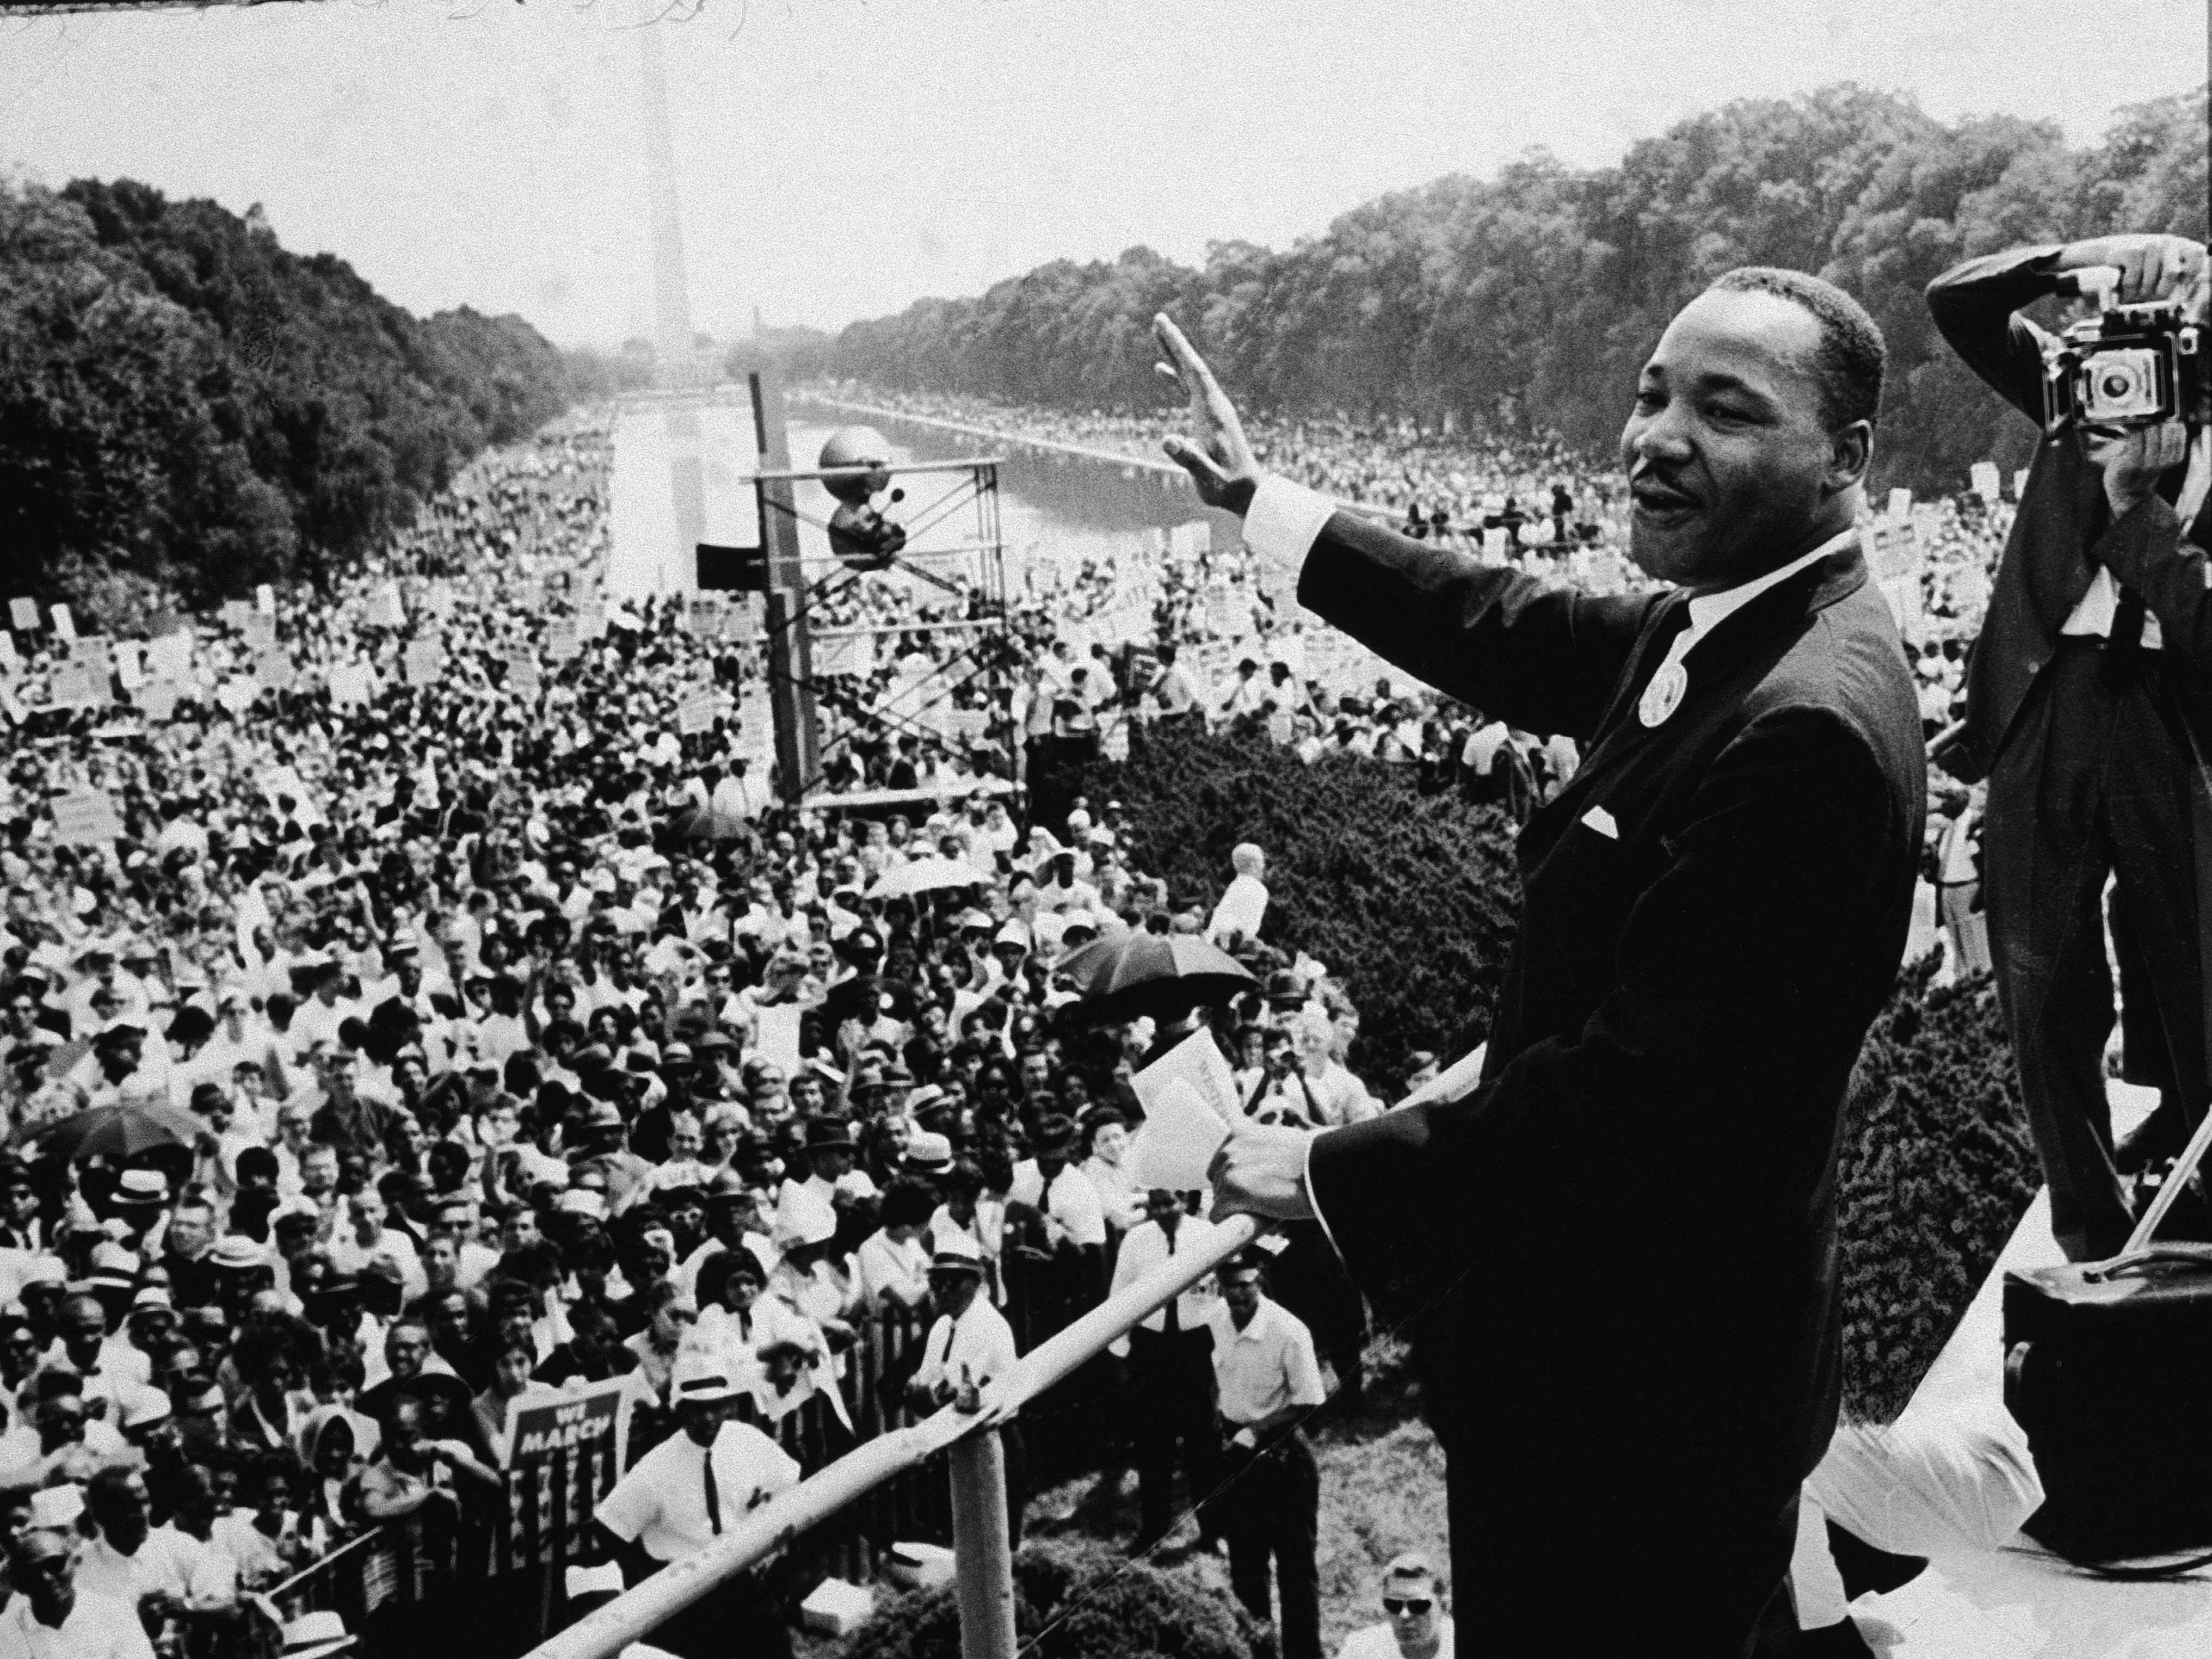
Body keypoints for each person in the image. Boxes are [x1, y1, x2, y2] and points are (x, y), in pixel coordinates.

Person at [1161, 260, 1924, 1655]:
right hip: (1636, 1364)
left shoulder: (1803, 719)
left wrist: (1333, 1169)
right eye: (1647, 395)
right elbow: (1489, 618)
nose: (1657, 436)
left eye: (1724, 408)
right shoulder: (1725, 627)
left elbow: (1632, 1092)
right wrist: (1257, 500)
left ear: (1844, 459)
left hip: (1637, 1402)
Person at [1925, 232, 2212, 1260]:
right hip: (2048, 695)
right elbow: (1955, 302)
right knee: (2043, 983)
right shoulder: (2079, 380)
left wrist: (2137, 507)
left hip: (2169, 710)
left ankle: (2191, 1184)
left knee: (2193, 969)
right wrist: (2084, 259)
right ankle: (2090, 1221)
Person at [591, 1352, 799, 1659]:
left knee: (772, 1640)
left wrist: (774, 1545)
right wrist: (650, 1580)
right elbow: (608, 1527)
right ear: (680, 1411)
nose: (707, 1418)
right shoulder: (657, 1466)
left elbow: (791, 1487)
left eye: (715, 1407)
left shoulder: (748, 1442)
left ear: (728, 1406)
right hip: (686, 1593)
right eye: (696, 1409)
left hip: (741, 1578)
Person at [1200, 1253, 1324, 1659]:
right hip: (1238, 1454)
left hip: (1284, 1454)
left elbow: (1308, 1399)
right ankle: (1260, 1651)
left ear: (1260, 1280)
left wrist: (1257, 1428)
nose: (1236, 1294)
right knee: (1246, 1566)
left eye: (1244, 1284)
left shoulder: (1288, 1330)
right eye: (1228, 1284)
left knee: (1295, 1569)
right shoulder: (1216, 1317)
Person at [1108, 1188, 1221, 1552]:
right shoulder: (1137, 1241)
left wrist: (1222, 1353)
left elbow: (1220, 1296)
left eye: (1169, 1202)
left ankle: (1212, 1530)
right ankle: (1153, 1528)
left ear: (1185, 1202)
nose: (1162, 1211)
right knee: (1152, 1444)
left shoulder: (1207, 1235)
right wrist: (1123, 1352)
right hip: (1151, 1348)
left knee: (1203, 1442)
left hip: (1195, 1346)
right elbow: (1120, 1295)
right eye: (1155, 1204)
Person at [0, 1528, 154, 1659]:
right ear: (19, 1585)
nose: (46, 1578)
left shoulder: (115, 1612)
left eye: (55, 1565)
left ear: (75, 1563)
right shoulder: (6, 1631)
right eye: (33, 1572)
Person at [1336, 1553, 1453, 1659]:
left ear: (1443, 1606)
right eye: (1394, 1605)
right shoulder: (1361, 1648)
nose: (1404, 1615)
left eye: (1418, 1606)